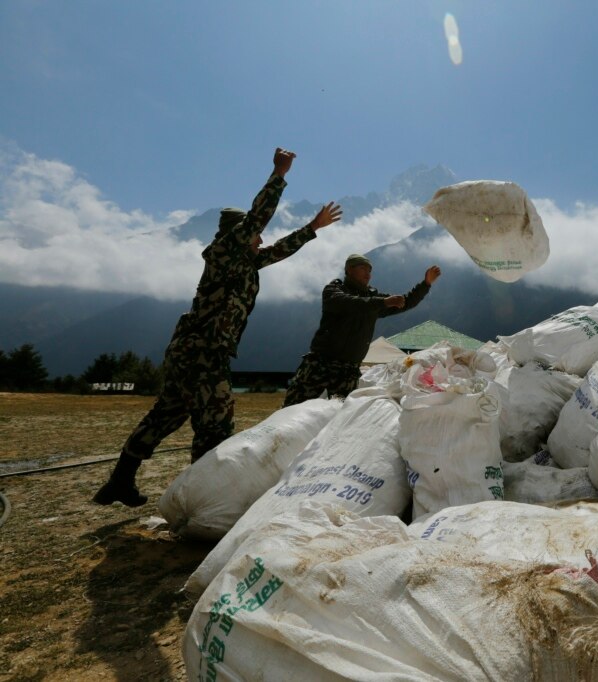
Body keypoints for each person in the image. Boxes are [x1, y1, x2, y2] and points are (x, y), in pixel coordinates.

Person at [93, 147, 343, 507]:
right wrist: (279, 175)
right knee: (216, 425)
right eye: (252, 235)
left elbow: (278, 249)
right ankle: (204, 499)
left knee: (164, 416)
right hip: (204, 354)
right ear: (237, 235)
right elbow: (257, 219)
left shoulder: (244, 263)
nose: (259, 239)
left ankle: (119, 481)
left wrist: (312, 228)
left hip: (190, 353)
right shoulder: (226, 253)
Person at [282, 254, 441, 406]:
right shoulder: (334, 290)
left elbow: (404, 302)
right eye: (363, 269)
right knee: (293, 408)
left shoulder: (374, 299)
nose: (368, 274)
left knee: (341, 418)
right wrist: (382, 302)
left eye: (370, 270)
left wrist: (425, 284)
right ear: (349, 270)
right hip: (321, 366)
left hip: (348, 371)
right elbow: (351, 303)